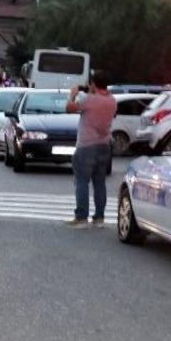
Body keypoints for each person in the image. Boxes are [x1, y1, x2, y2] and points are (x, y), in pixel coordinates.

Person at [64, 71, 117, 228]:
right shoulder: (112, 101)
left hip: (86, 145)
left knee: (82, 181)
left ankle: (81, 217)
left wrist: (72, 95)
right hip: (104, 146)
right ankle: (99, 218)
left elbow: (69, 108)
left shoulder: (89, 100)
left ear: (93, 83)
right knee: (99, 182)